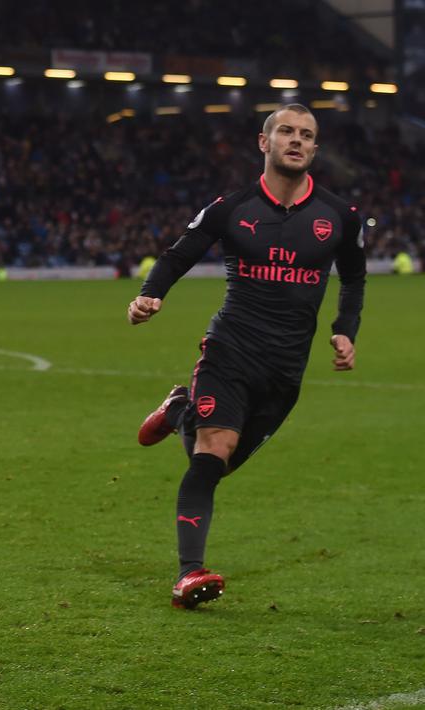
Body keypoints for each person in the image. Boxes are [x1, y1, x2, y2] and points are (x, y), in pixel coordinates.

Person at [128, 103, 366, 610]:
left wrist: (346, 330)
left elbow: (355, 277)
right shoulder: (231, 208)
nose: (296, 140)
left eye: (306, 134)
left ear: (315, 149)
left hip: (286, 369)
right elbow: (177, 255)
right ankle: (189, 573)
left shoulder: (339, 216)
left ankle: (177, 410)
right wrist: (151, 294)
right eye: (286, 131)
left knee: (218, 464)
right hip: (230, 350)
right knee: (211, 453)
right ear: (265, 142)